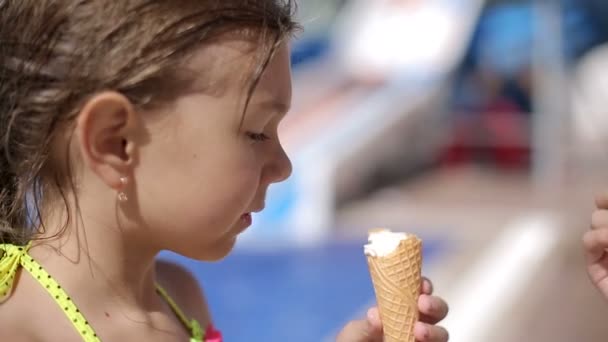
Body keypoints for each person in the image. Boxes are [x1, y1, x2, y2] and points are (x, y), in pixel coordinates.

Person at [0, 1, 449, 341]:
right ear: (115, 143)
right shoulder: (19, 327)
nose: (284, 166)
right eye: (256, 133)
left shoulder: (177, 297)